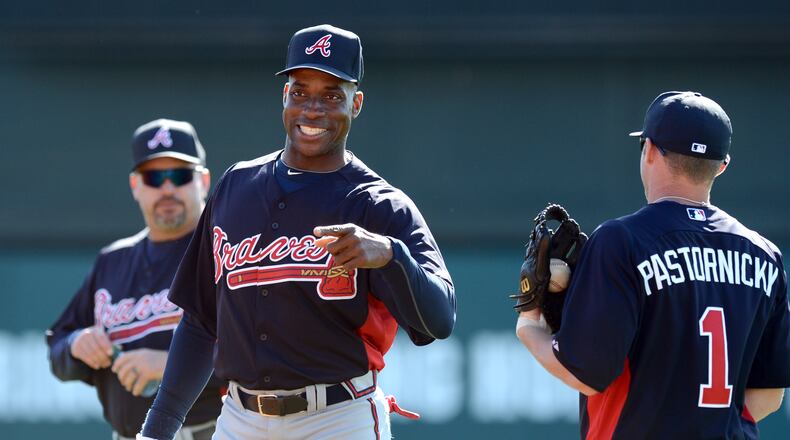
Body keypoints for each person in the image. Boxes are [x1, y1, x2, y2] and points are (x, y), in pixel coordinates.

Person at [137, 24, 456, 440]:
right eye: (300, 91)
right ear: (283, 96)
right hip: (239, 418)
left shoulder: (379, 205)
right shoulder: (236, 186)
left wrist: (391, 256)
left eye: (331, 95)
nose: (312, 109)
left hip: (337, 419)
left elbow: (440, 319)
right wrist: (156, 430)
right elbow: (200, 320)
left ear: (355, 104)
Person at [516, 91, 789, 439]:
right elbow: (768, 395)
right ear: (722, 166)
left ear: (649, 151)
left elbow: (584, 374)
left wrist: (530, 323)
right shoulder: (764, 255)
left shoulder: (622, 241)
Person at [46, 119, 224, 440]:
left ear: (204, 181)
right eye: (154, 177)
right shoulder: (112, 262)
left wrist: (174, 366)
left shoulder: (225, 250)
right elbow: (58, 348)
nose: (167, 188)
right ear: (135, 186)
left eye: (180, 176)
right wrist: (76, 344)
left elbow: (261, 354)